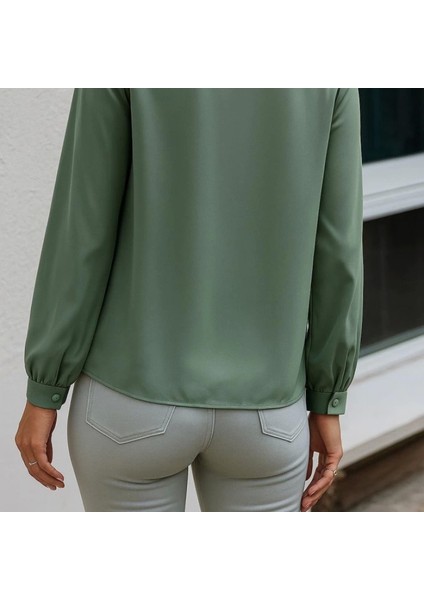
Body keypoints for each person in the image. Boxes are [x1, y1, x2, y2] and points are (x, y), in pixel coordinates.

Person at [15, 88, 364, 512]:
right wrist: (328, 398)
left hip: (131, 401)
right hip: (268, 414)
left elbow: (83, 232)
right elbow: (338, 252)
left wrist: (46, 386)